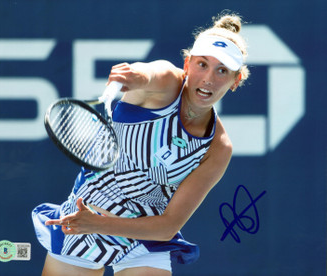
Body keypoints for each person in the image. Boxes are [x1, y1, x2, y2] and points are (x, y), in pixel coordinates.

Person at [32, 12, 250, 276]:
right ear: (187, 63)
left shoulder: (218, 148)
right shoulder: (168, 82)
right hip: (84, 218)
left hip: (142, 241)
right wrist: (132, 75)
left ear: (235, 81)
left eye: (222, 71)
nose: (208, 79)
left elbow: (168, 225)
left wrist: (97, 225)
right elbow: (148, 74)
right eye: (202, 65)